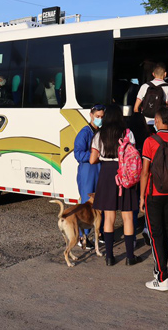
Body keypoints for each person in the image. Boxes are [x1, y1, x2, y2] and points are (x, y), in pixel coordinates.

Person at [90, 104, 143, 266]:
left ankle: (109, 257)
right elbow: (132, 156)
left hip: (106, 175)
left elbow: (92, 159)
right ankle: (129, 257)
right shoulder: (128, 133)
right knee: (127, 217)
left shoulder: (99, 135)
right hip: (124, 173)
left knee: (109, 217)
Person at [140, 107, 168, 291]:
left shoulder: (150, 141)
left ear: (157, 121)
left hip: (154, 194)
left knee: (155, 234)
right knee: (166, 234)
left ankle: (162, 277)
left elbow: (145, 172)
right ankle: (161, 269)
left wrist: (142, 197)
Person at [73, 104, 105, 249]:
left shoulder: (102, 132)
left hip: (99, 170)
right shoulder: (84, 133)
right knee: (87, 204)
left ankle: (98, 233)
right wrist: (93, 155)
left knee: (100, 202)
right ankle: (82, 236)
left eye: (102, 117)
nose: (100, 119)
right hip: (87, 171)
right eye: (97, 116)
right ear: (91, 115)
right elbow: (77, 153)